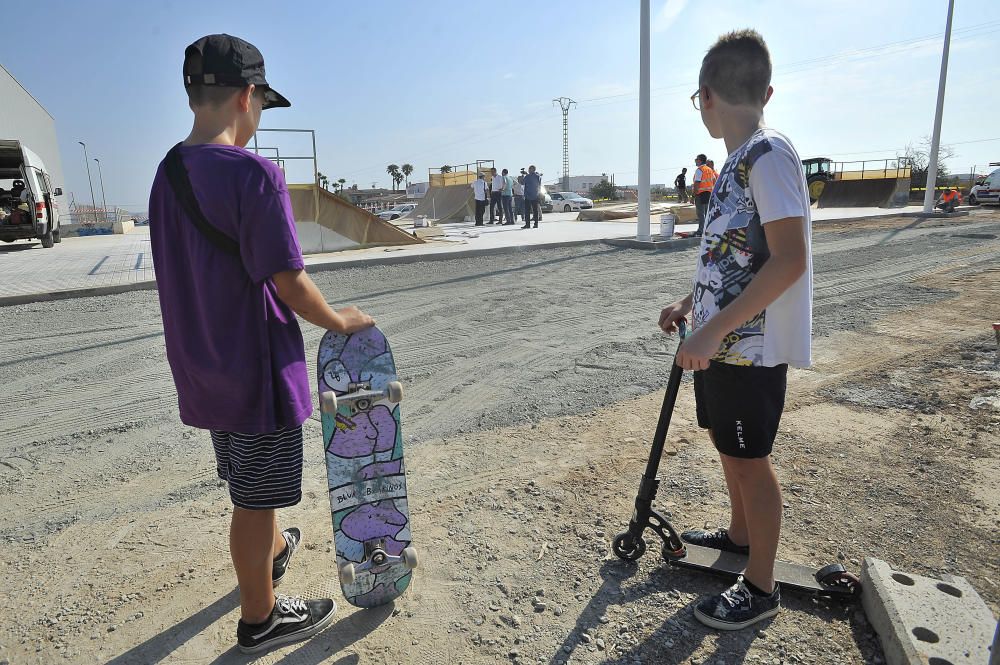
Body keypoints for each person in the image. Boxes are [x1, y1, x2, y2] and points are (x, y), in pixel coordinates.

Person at [147, 34, 375, 655]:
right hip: (254, 370)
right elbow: (289, 281)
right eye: (262, 108)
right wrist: (339, 321)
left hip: (203, 368)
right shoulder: (255, 175)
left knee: (250, 485)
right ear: (248, 96)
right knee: (254, 501)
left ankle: (272, 552)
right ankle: (260, 619)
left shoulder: (167, 175)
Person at [659, 29, 812, 631]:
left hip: (750, 347)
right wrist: (689, 307)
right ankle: (740, 538)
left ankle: (760, 587)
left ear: (705, 98)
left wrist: (709, 330)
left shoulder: (769, 155)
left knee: (751, 460)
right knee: (731, 448)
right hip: (723, 341)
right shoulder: (737, 163)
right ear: (765, 89)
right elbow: (734, 259)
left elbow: (789, 259)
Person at [692, 153, 716, 234]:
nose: (695, 161)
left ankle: (701, 231)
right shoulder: (709, 169)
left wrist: (693, 196)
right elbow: (714, 181)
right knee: (707, 213)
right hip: (708, 194)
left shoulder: (699, 170)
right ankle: (707, 230)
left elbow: (697, 183)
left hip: (700, 194)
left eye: (696, 159)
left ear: (700, 160)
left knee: (701, 214)